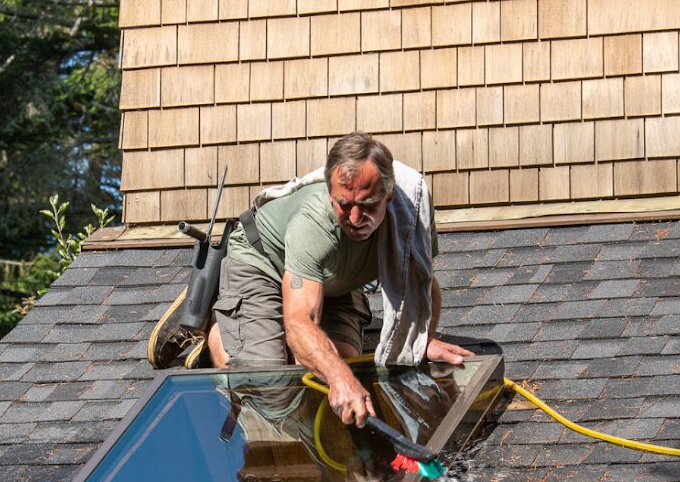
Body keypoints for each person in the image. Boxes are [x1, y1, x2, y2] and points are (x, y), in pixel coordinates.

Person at [149, 132, 472, 427]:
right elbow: (300, 322)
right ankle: (217, 326)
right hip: (262, 264)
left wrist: (420, 339)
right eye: (344, 205)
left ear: (388, 196)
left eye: (367, 205)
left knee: (340, 377)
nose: (356, 219)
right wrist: (338, 378)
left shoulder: (410, 213)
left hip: (334, 280)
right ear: (331, 194)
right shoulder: (314, 222)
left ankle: (245, 331)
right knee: (270, 390)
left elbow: (422, 281)